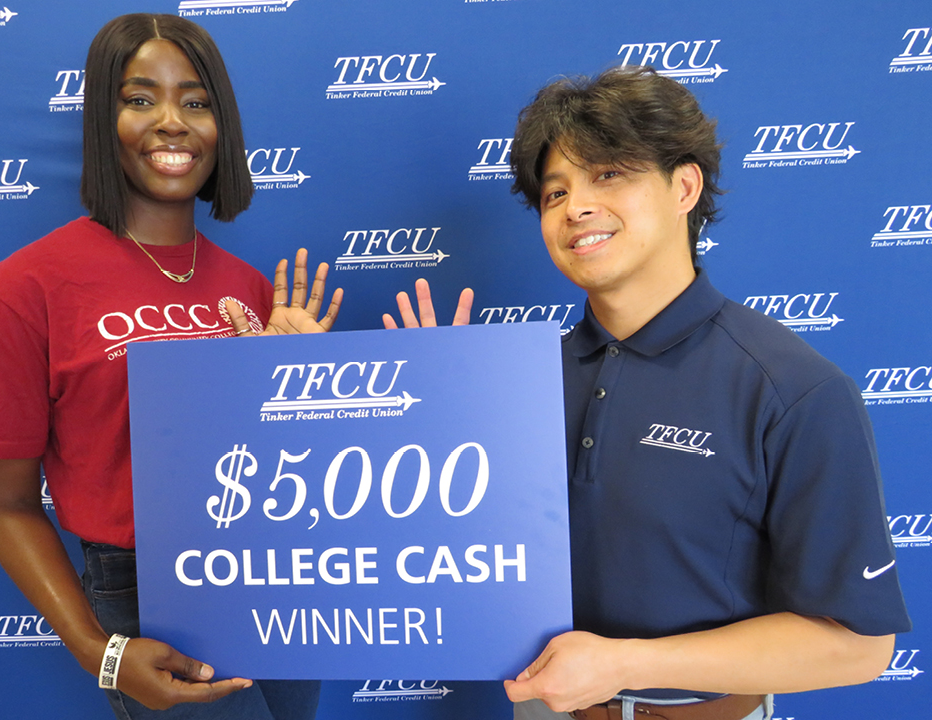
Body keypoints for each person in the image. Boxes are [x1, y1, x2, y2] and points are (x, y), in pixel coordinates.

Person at [387, 66, 910, 720]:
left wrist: (626, 664)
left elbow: (858, 646)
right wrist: (438, 422)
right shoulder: (512, 384)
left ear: (684, 186)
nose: (576, 206)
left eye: (608, 175)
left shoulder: (794, 388)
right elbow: (450, 564)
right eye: (554, 192)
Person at [0, 14, 340, 720]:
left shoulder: (251, 289)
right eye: (139, 99)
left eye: (195, 101)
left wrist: (296, 388)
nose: (170, 122)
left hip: (278, 575)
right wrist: (103, 652)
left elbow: (284, 469)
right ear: (104, 117)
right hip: (145, 591)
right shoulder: (22, 287)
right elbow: (6, 506)